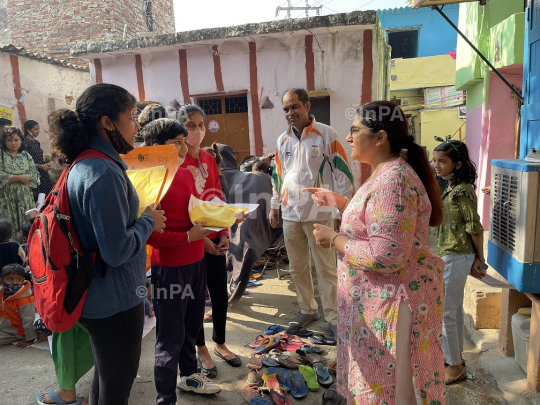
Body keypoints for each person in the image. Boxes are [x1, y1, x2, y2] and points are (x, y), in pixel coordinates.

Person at [306, 101, 446, 404]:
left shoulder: (393, 180)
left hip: (395, 304)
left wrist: (334, 239)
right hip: (380, 300)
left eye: (355, 130)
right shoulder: (385, 174)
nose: (348, 137)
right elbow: (377, 222)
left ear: (380, 138)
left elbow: (386, 255)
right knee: (384, 384)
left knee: (394, 390)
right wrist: (342, 202)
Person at [47, 83, 166, 405]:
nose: (137, 125)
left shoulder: (87, 164)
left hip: (98, 295)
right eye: (131, 116)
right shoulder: (102, 173)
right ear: (107, 122)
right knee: (116, 386)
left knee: (106, 375)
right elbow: (116, 251)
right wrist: (148, 221)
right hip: (114, 302)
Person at [141, 118, 220, 403]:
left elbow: (195, 215)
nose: (184, 146)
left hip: (196, 262)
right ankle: (165, 397)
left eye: (183, 140)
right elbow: (149, 237)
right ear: (154, 147)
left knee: (192, 326)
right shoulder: (148, 181)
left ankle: (189, 377)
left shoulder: (186, 173)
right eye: (175, 142)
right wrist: (188, 238)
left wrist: (223, 220)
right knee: (170, 337)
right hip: (171, 269)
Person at [269, 88, 354, 336]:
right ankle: (308, 309)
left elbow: (343, 173)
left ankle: (334, 316)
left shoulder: (326, 134)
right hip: (290, 213)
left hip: (320, 212)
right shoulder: (282, 140)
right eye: (286, 108)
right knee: (297, 267)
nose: (290, 112)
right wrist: (275, 205)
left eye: (294, 106)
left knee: (325, 267)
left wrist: (342, 211)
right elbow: (278, 176)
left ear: (307, 106)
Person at [176, 104, 242, 377]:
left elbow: (217, 198)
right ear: (180, 127)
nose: (197, 131)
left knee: (219, 292)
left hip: (216, 234)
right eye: (190, 126)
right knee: (196, 299)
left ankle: (220, 342)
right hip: (192, 240)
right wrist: (204, 241)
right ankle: (200, 348)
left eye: (200, 125)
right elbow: (182, 210)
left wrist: (225, 231)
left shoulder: (209, 159)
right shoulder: (177, 162)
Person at [433, 138, 486, 384]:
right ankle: (456, 358)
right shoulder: (450, 188)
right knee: (452, 311)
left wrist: (479, 258)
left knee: (445, 313)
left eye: (442, 161)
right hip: (450, 254)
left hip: (457, 255)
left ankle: (455, 366)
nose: (437, 165)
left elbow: (474, 226)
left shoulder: (463, 190)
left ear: (457, 164)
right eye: (435, 161)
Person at [0, 126, 39, 241]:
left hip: (24, 197)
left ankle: (27, 252)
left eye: (16, 140)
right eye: (9, 140)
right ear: (4, 141)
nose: (13, 143)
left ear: (21, 141)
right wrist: (20, 177)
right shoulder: (1, 155)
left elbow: (34, 174)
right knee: (8, 225)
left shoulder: (26, 156)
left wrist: (13, 177)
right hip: (6, 198)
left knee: (26, 225)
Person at [0, 263, 36, 347]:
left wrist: (30, 339)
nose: (15, 283)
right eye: (10, 279)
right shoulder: (1, 293)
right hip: (3, 327)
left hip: (15, 332)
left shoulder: (25, 300)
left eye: (19, 280)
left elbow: (28, 321)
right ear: (1, 281)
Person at [23, 120, 54, 200]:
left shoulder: (36, 142)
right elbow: (25, 161)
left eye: (38, 129)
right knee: (38, 198)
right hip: (34, 174)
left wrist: (45, 162)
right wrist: (40, 166)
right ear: (28, 130)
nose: (38, 131)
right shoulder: (24, 142)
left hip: (43, 174)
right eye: (35, 129)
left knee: (46, 197)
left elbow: (38, 158)